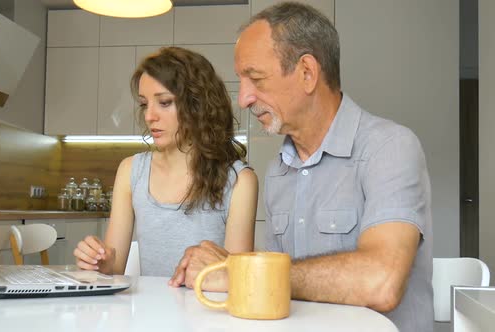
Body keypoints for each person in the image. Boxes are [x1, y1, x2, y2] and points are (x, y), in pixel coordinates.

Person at [168, 2, 433, 331]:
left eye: (256, 79)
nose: (244, 99)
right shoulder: (279, 170)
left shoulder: (389, 147)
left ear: (307, 72)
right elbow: (281, 295)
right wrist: (226, 268)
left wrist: (239, 272)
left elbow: (381, 281)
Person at [73, 47, 258, 279]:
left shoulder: (239, 181)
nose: (149, 116)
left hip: (207, 312)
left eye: (164, 102)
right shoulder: (131, 170)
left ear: (198, 105)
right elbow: (115, 266)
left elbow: (238, 278)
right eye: (144, 104)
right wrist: (99, 261)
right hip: (149, 313)